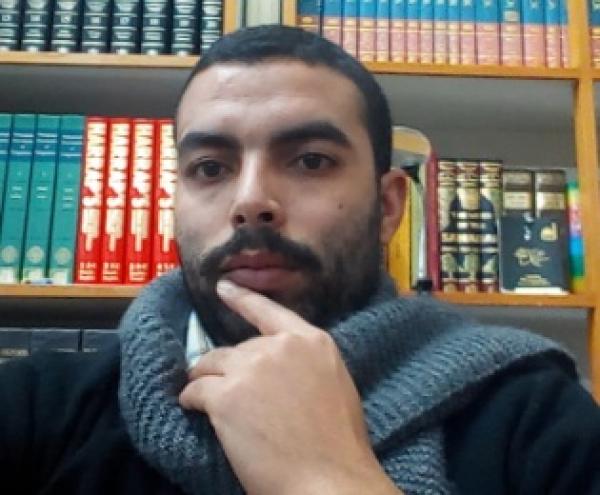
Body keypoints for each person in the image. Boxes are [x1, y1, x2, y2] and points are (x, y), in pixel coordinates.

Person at [1, 25, 599, 495]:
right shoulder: (38, 405)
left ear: (390, 206)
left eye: (311, 161)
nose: (250, 201)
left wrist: (328, 478)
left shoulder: (537, 417)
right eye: (209, 168)